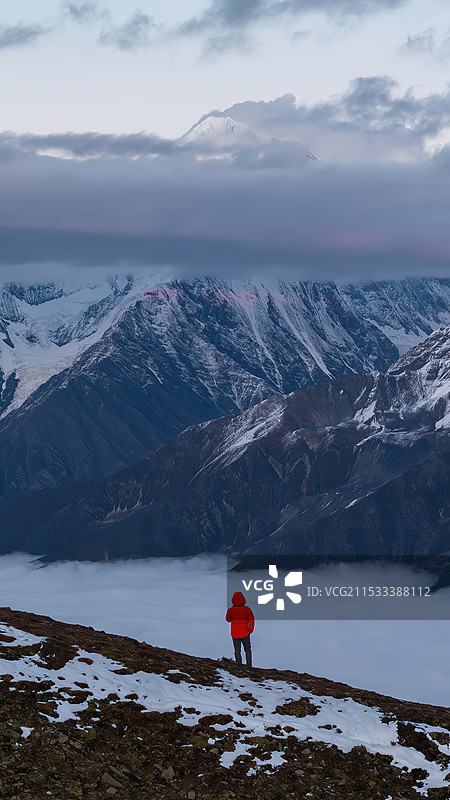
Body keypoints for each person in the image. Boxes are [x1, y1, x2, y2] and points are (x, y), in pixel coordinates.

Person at [226, 591, 255, 668]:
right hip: (245, 632)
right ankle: (249, 665)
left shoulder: (230, 610)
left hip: (235, 633)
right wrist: (250, 630)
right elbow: (251, 620)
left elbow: (228, 619)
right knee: (247, 650)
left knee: (237, 650)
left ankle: (239, 665)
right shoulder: (247, 609)